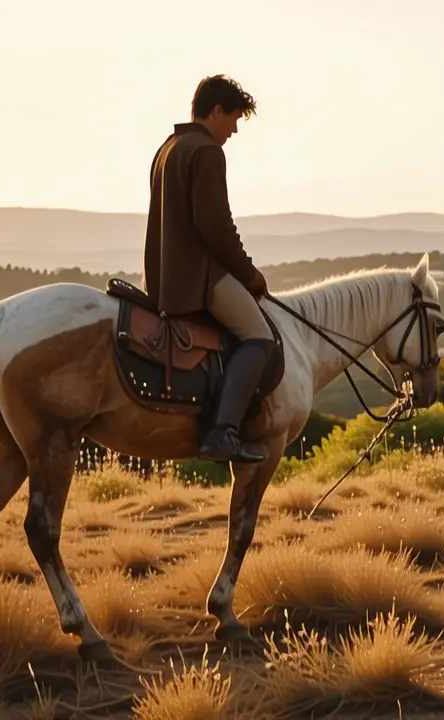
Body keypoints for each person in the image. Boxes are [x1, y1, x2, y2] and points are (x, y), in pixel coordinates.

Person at [142, 74, 273, 463]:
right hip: (198, 277)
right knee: (260, 337)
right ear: (216, 111)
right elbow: (216, 225)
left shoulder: (168, 148)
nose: (233, 130)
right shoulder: (207, 151)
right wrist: (249, 274)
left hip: (162, 278)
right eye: (232, 119)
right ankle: (223, 432)